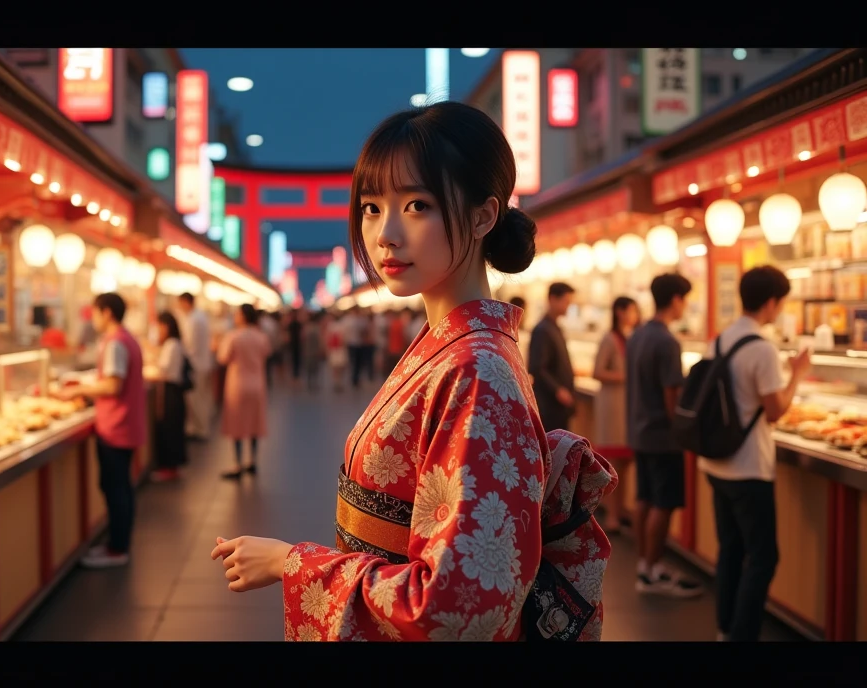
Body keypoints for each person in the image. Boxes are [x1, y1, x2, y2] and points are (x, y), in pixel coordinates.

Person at [211, 101, 615, 641]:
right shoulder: (455, 351)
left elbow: (458, 604)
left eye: (418, 205)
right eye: (372, 207)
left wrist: (293, 563)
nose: (385, 234)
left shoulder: (477, 371)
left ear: (482, 216)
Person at [702, 266, 811, 641]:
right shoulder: (762, 348)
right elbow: (776, 409)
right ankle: (742, 636)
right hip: (749, 467)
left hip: (716, 462)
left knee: (730, 549)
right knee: (763, 558)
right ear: (771, 302)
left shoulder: (719, 340)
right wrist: (797, 372)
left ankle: (724, 628)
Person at [54, 293, 146, 569]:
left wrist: (77, 390)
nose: (92, 318)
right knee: (121, 487)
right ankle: (119, 544)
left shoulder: (116, 343)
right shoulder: (126, 338)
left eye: (94, 312)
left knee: (115, 488)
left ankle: (118, 548)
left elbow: (112, 386)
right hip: (124, 424)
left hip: (116, 426)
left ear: (106, 313)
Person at [626, 273, 702, 598]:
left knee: (644, 498)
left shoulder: (638, 335)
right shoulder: (667, 341)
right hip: (662, 435)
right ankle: (653, 571)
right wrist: (682, 431)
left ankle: (645, 566)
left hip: (640, 430)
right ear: (675, 299)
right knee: (663, 503)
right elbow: (673, 394)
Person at [592, 296, 640, 534]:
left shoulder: (631, 337)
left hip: (627, 406)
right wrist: (625, 377)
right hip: (612, 407)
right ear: (620, 312)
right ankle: (612, 515)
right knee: (613, 463)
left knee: (626, 462)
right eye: (631, 310)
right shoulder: (610, 339)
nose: (635, 314)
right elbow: (597, 371)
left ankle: (619, 512)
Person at [217, 304, 272, 479]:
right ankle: (253, 462)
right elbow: (266, 353)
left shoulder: (233, 336)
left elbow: (223, 358)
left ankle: (237, 464)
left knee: (237, 424)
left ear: (243, 316)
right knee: (254, 423)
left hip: (237, 385)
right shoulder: (261, 337)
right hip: (257, 384)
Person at [528, 282, 577, 432]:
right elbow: (537, 367)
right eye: (566, 301)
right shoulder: (542, 330)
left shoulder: (555, 327)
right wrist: (558, 390)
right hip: (549, 404)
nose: (568, 306)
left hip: (558, 404)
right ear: (552, 299)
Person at [149, 311, 189, 483]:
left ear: (165, 326)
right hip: (174, 391)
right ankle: (171, 467)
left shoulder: (171, 344)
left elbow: (163, 370)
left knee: (169, 429)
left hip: (171, 392)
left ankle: (169, 467)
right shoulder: (175, 343)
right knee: (172, 428)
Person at [177, 292, 213, 441]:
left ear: (186, 302)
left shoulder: (193, 320)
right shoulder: (200, 317)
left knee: (196, 400)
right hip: (203, 363)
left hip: (196, 365)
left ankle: (200, 430)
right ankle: (200, 428)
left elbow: (189, 346)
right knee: (201, 398)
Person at [302, 311, 325, 391]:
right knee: (315, 368)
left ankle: (310, 382)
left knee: (310, 367)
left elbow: (303, 339)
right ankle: (313, 382)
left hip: (308, 351)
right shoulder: (316, 328)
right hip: (314, 351)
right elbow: (320, 340)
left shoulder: (306, 327)